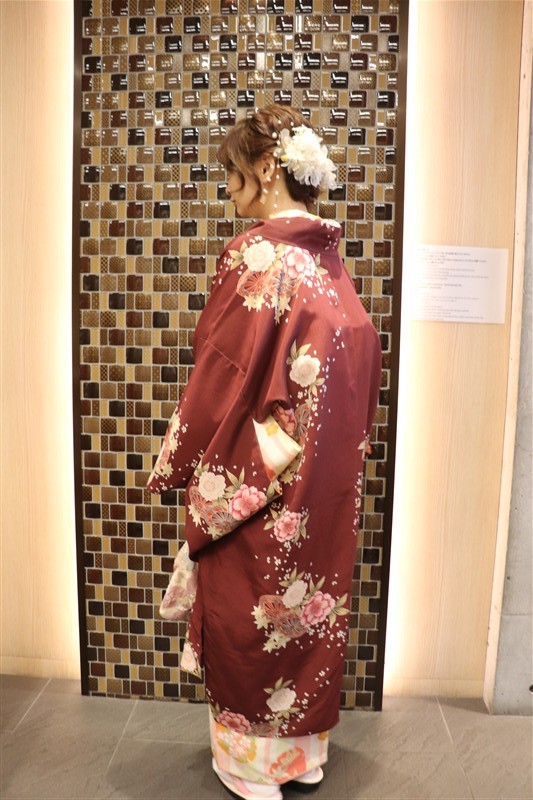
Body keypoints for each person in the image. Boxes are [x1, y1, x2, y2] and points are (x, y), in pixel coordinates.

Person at [147, 105, 382, 800]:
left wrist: (187, 461)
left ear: (267, 168)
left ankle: (251, 767)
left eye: (231, 172)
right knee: (307, 610)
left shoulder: (259, 255)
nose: (227, 189)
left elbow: (220, 370)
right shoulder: (327, 262)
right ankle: (301, 758)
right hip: (324, 486)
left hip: (266, 479)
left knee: (249, 606)